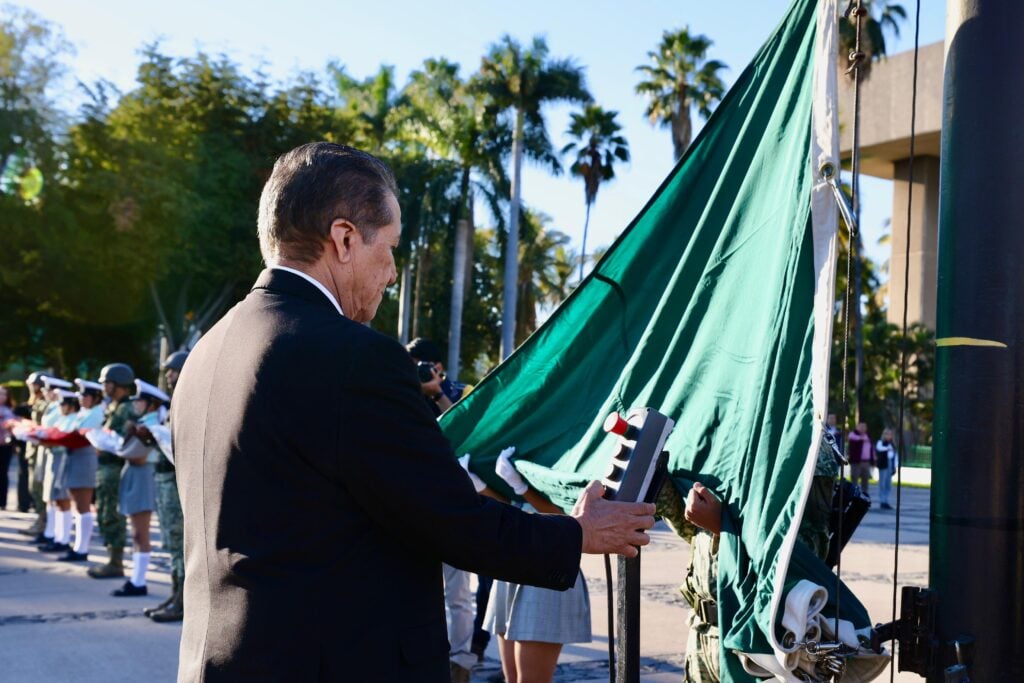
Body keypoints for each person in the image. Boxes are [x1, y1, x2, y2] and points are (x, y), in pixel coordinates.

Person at [171, 142, 655, 682]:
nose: (394, 272)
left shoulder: (206, 356)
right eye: (393, 247)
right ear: (346, 239)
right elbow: (450, 519)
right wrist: (579, 532)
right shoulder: (352, 357)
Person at [657, 430, 840, 683]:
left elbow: (806, 549)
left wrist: (724, 526)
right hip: (703, 631)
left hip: (757, 638)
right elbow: (693, 531)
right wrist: (661, 487)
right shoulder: (719, 424)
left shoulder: (803, 436)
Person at [483, 449, 592, 683]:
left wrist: (522, 487)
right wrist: (481, 486)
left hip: (547, 571)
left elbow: (570, 522)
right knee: (511, 678)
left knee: (531, 681)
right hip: (513, 565)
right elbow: (513, 517)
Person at [109, 379, 168, 597]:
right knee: (136, 533)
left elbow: (136, 455)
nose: (136, 403)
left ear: (152, 403)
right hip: (134, 473)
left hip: (142, 475)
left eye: (140, 400)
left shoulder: (151, 426)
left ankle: (139, 581)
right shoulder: (143, 422)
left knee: (140, 533)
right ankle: (136, 579)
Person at [142, 350, 188, 622]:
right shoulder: (174, 402)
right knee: (171, 542)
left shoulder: (189, 400)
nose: (169, 376)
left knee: (179, 541)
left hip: (176, 481)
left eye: (174, 370)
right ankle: (175, 595)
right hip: (165, 479)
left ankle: (182, 602)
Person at [87, 363, 137, 580]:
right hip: (105, 467)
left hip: (114, 469)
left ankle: (116, 561)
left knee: (112, 514)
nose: (104, 387)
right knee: (104, 512)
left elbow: (123, 440)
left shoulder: (127, 408)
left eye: (107, 382)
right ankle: (111, 558)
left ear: (119, 384)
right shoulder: (114, 406)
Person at [56, 379, 106, 562]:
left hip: (84, 458)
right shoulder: (85, 412)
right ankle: (78, 546)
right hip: (75, 457)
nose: (82, 398)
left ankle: (82, 549)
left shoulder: (96, 413)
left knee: (83, 505)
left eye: (86, 395)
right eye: (81, 395)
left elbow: (76, 434)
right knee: (77, 504)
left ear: (95, 397)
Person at [19, 373, 50, 537]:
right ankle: (41, 520)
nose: (31, 387)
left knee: (39, 488)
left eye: (33, 384)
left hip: (40, 450)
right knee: (34, 487)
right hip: (33, 448)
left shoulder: (45, 403)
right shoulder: (36, 402)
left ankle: (44, 522)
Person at [407, 337, 466, 416]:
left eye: (421, 368)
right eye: (412, 368)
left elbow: (464, 426)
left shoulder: (464, 393)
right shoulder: (404, 393)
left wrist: (437, 395)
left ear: (438, 368)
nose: (416, 373)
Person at [846, 422, 874, 500]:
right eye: (861, 426)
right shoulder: (853, 435)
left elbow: (871, 448)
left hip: (866, 462)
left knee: (865, 481)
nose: (863, 428)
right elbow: (854, 438)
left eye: (864, 427)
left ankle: (865, 497)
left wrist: (873, 459)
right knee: (854, 480)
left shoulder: (868, 436)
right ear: (857, 427)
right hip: (856, 462)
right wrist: (862, 438)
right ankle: (853, 497)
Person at [0, 385, 16, 511]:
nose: (2, 397)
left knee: (3, 473)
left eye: (4, 394)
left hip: (5, 446)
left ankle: (2, 502)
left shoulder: (10, 410)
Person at [874, 428, 897, 510]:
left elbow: (894, 455)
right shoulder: (881, 442)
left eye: (891, 434)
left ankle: (886, 500)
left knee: (888, 484)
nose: (890, 436)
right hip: (884, 464)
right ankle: (882, 501)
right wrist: (887, 448)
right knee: (882, 483)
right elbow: (879, 448)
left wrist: (895, 466)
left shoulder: (892, 444)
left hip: (890, 464)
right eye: (888, 434)